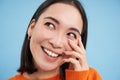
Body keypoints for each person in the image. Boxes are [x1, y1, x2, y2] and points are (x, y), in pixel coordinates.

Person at [8, 0, 102, 80]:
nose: (57, 43)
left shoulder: (90, 77)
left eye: (71, 34)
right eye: (50, 25)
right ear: (31, 28)